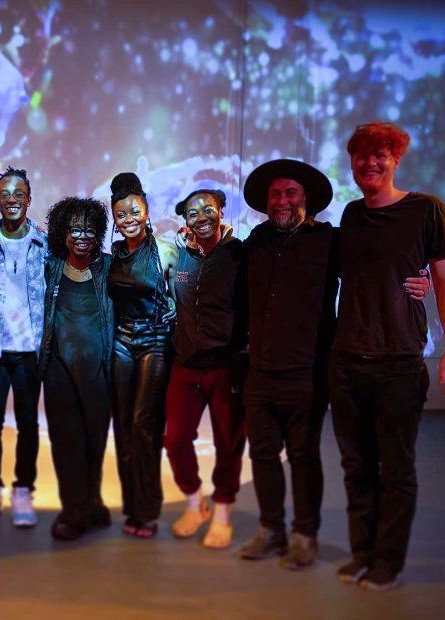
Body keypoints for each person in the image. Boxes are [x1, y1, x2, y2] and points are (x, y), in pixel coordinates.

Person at [330, 121, 445, 591]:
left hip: (399, 360)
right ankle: (362, 553)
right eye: (361, 156)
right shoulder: (351, 216)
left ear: (396, 159)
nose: (370, 163)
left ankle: (388, 561)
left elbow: (443, 280)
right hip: (347, 360)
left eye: (381, 154)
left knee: (395, 467)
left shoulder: (426, 210)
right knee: (356, 464)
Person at [237, 160, 338, 570]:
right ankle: (271, 529)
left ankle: (305, 534)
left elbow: (370, 274)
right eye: (276, 194)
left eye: (290, 193)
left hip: (307, 373)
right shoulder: (254, 243)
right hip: (259, 372)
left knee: (303, 456)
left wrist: (418, 276)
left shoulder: (329, 242)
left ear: (305, 199)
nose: (282, 200)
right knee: (262, 454)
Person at [164, 188, 248, 549]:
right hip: (185, 364)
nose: (201, 217)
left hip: (226, 365)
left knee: (229, 441)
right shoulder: (178, 254)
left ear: (221, 213)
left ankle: (224, 510)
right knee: (176, 438)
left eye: (208, 210)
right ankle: (195, 502)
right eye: (192, 213)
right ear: (184, 221)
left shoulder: (238, 254)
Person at [0, 166, 47, 528]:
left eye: (19, 193)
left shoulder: (46, 245)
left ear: (29, 199)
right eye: (5, 194)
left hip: (30, 347)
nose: (12, 199)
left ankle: (23, 489)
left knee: (29, 423)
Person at [39, 196, 114, 541]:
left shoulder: (110, 267)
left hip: (99, 369)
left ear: (99, 233)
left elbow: (148, 260)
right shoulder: (48, 265)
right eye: (74, 229)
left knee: (94, 441)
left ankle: (91, 500)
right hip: (59, 369)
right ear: (62, 232)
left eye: (89, 229)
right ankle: (73, 512)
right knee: (67, 441)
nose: (82, 236)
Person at [108, 172, 178, 538]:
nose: (128, 218)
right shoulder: (112, 256)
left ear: (147, 212)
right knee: (121, 425)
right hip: (120, 341)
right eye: (121, 214)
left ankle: (148, 508)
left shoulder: (167, 249)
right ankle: (132, 508)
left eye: (134, 211)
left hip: (154, 343)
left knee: (143, 425)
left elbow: (186, 291)